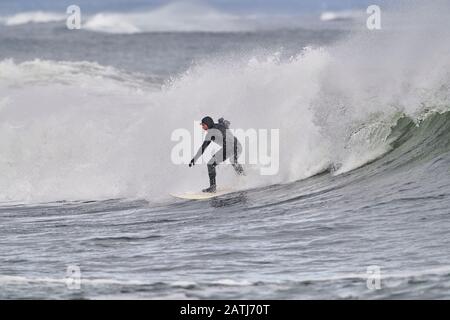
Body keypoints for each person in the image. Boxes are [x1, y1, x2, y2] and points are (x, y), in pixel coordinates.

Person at [189, 116, 245, 193]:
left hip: (231, 147)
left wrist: (195, 158)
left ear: (207, 124)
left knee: (210, 164)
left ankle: (212, 187)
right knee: (233, 161)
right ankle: (244, 177)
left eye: (203, 125)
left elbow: (203, 147)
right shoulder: (218, 126)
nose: (202, 127)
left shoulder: (211, 133)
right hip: (237, 145)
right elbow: (226, 124)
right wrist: (223, 122)